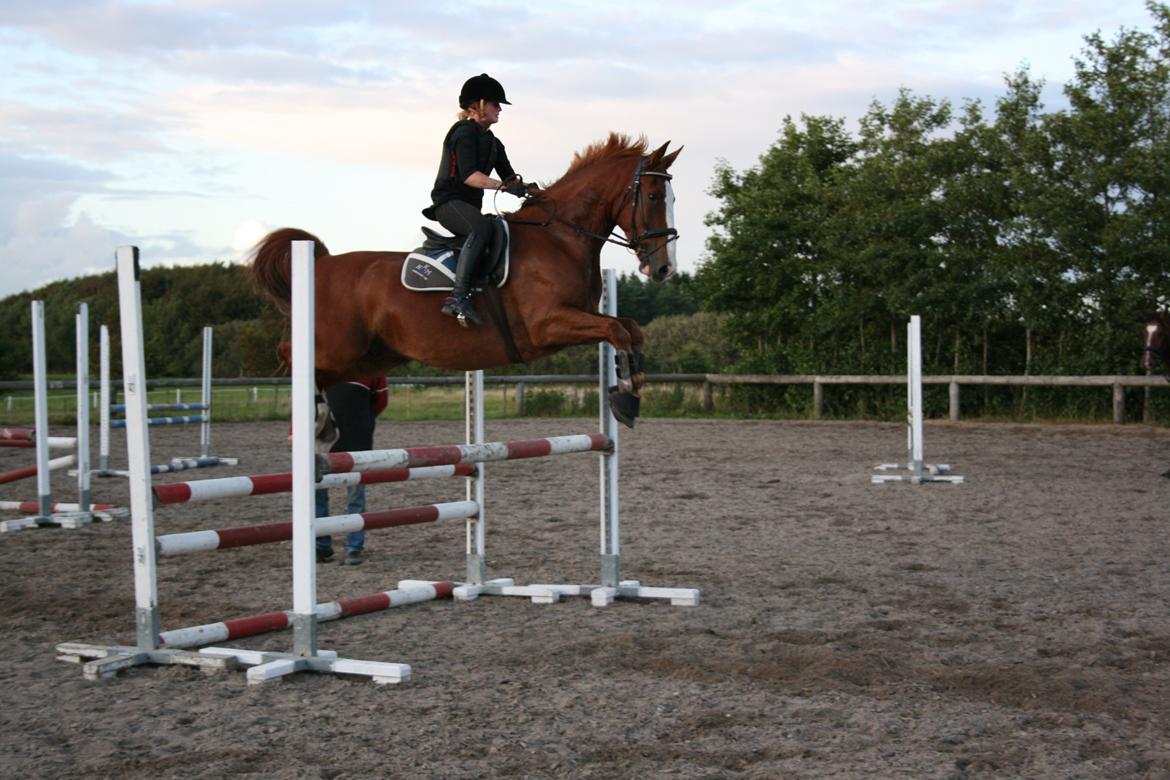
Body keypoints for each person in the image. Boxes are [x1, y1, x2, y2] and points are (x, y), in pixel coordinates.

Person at [423, 73, 537, 327]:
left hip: (468, 206)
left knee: (501, 228)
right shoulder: (463, 133)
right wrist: (502, 186)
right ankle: (458, 298)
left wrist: (532, 191)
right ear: (480, 104)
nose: (499, 110)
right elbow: (470, 177)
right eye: (496, 104)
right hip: (448, 203)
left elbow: (510, 177)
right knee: (482, 227)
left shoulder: (493, 143)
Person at [315, 376, 388, 565]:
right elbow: (310, 399)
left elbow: (381, 402)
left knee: (353, 497)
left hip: (355, 441)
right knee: (320, 495)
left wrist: (362, 422)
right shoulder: (324, 366)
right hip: (327, 442)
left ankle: (353, 548)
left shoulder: (374, 370)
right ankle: (322, 546)